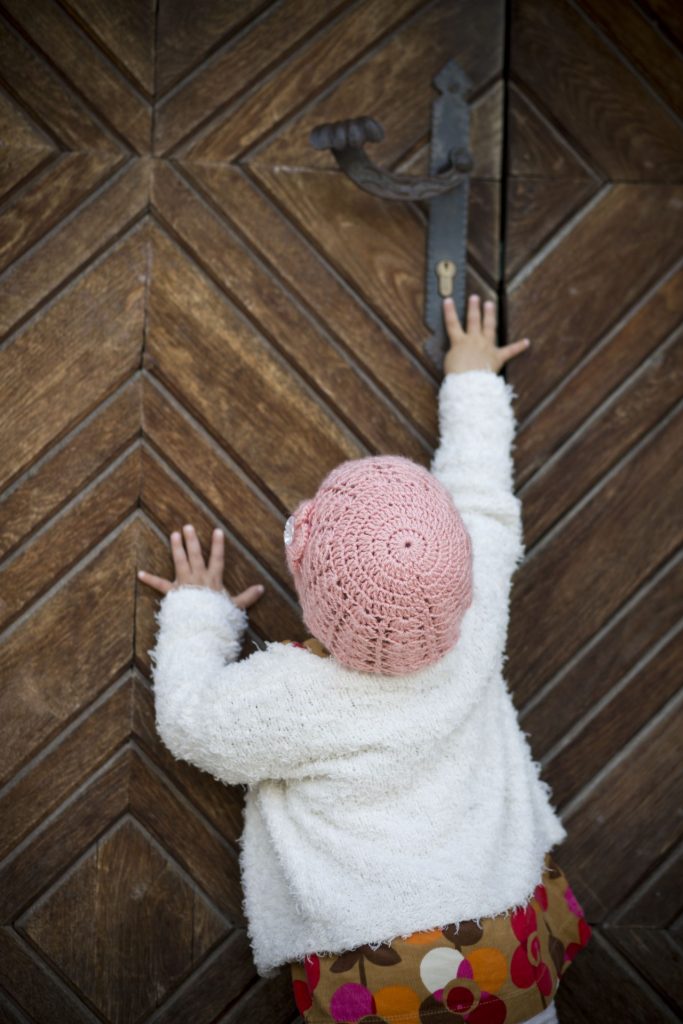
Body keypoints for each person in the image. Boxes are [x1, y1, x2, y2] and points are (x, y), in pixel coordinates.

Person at [139, 295, 592, 1023]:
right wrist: (473, 378)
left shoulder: (291, 695)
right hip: (505, 951)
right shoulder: (476, 614)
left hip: (376, 977)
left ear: (317, 589)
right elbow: (481, 493)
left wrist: (199, 612)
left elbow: (191, 724)